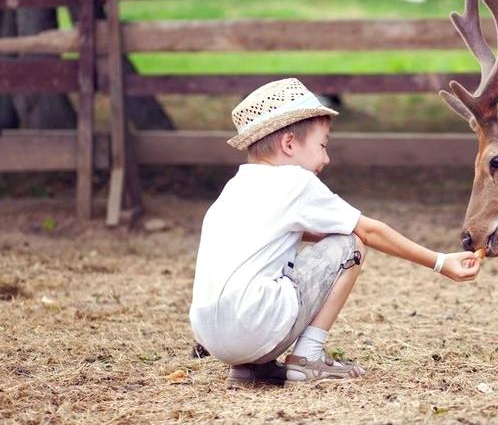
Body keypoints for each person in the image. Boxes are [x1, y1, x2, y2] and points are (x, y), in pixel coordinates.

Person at [189, 78, 481, 386]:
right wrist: (440, 262)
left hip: (212, 334)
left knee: (314, 250)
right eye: (322, 146)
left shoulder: (234, 188)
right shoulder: (295, 183)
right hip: (256, 325)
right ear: (290, 144)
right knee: (350, 243)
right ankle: (307, 358)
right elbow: (369, 232)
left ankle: (249, 367)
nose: (326, 159)